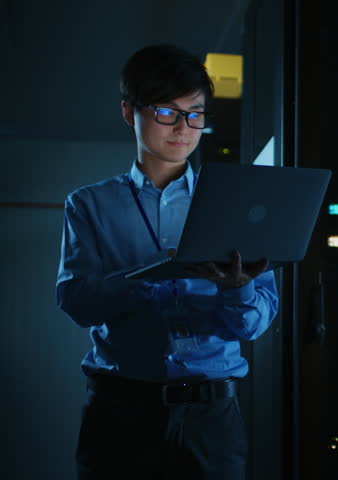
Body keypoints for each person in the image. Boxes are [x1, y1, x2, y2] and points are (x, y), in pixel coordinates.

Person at [56, 44, 278, 479]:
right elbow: (77, 302)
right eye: (166, 112)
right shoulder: (89, 205)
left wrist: (238, 289)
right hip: (121, 411)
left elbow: (253, 325)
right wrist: (149, 275)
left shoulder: (233, 205)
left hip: (212, 416)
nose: (183, 128)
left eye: (195, 114)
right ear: (129, 111)